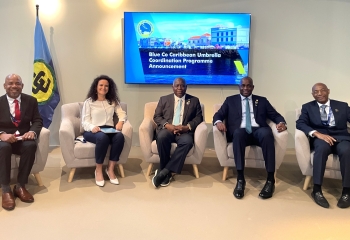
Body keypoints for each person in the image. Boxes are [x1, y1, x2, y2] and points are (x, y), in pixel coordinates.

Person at [213, 76, 287, 199]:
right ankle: (240, 180)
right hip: (240, 131)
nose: (246, 88)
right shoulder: (230, 100)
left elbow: (276, 115)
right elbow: (218, 115)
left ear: (252, 87)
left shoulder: (262, 100)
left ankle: (270, 180)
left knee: (267, 134)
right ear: (239, 87)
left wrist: (282, 123)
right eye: (243, 85)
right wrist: (219, 122)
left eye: (248, 85)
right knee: (238, 134)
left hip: (258, 130)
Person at [296, 83, 350, 209]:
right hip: (321, 138)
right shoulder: (307, 107)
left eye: (322, 90)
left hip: (341, 137)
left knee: (347, 151)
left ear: (328, 91)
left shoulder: (342, 106)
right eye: (315, 92)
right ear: (312, 94)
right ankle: (317, 189)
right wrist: (317, 134)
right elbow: (300, 123)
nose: (319, 94)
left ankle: (346, 191)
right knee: (320, 150)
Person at [0, 74, 42, 211]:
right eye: (10, 83)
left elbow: (37, 120)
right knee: (3, 148)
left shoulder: (31, 100)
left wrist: (32, 132)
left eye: (17, 83)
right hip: (4, 140)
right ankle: (6, 190)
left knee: (31, 145)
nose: (14, 86)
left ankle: (20, 186)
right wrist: (2, 135)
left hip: (22, 139)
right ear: (4, 86)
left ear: (22, 86)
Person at [152, 77, 203, 188]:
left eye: (182, 85)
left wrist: (187, 127)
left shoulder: (194, 100)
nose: (180, 88)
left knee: (188, 142)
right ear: (173, 87)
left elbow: (199, 118)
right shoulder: (164, 99)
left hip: (184, 132)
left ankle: (164, 171)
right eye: (177, 85)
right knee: (161, 137)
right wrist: (167, 125)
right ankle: (167, 171)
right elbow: (157, 116)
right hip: (167, 130)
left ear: (186, 87)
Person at [82, 75, 126, 187]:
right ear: (96, 87)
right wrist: (92, 127)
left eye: (106, 86)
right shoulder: (89, 102)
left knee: (120, 137)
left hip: (109, 129)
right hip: (92, 131)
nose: (104, 88)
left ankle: (110, 169)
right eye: (101, 85)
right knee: (102, 138)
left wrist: (120, 122)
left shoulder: (112, 101)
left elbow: (121, 113)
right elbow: (84, 121)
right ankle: (98, 170)